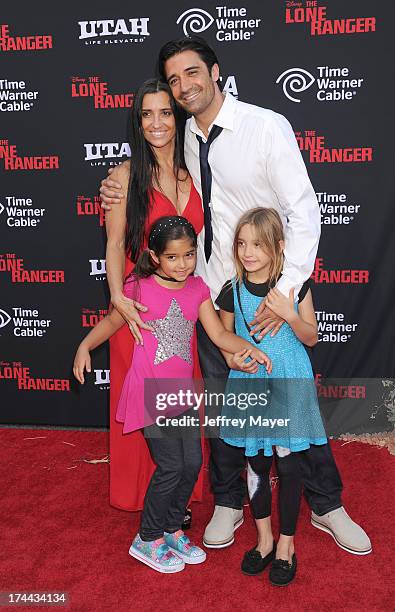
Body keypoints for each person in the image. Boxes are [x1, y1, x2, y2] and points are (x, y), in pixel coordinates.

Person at [100, 37, 371, 555]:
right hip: (213, 296)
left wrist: (284, 293)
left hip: (271, 292)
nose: (184, 86)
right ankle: (228, 501)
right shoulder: (179, 141)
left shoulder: (265, 127)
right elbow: (142, 175)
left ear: (216, 71)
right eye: (174, 80)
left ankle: (327, 505)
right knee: (227, 407)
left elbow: (305, 211)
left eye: (191, 73)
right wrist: (112, 183)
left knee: (292, 406)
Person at [73, 216, 272, 573]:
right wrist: (85, 346)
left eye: (190, 255)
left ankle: (170, 529)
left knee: (193, 464)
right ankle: (147, 538)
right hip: (150, 390)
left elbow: (218, 335)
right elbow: (111, 322)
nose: (183, 265)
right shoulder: (137, 288)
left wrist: (248, 348)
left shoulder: (197, 290)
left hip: (181, 394)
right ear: (155, 256)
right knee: (171, 466)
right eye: (173, 257)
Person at [102, 78, 205, 516]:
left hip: (184, 308)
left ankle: (176, 495)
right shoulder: (125, 177)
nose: (157, 123)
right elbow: (112, 245)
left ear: (178, 118)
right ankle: (146, 501)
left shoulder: (195, 169)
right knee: (145, 403)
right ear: (137, 121)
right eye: (147, 114)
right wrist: (118, 302)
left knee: (178, 404)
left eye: (165, 112)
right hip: (139, 310)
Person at [216, 207, 327, 586]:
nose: (248, 252)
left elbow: (311, 336)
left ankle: (286, 545)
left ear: (278, 246)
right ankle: (264, 539)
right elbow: (224, 343)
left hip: (289, 382)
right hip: (250, 387)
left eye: (258, 245)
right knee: (256, 466)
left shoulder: (295, 285)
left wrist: (290, 314)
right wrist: (236, 359)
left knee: (290, 465)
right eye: (242, 243)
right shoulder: (231, 290)